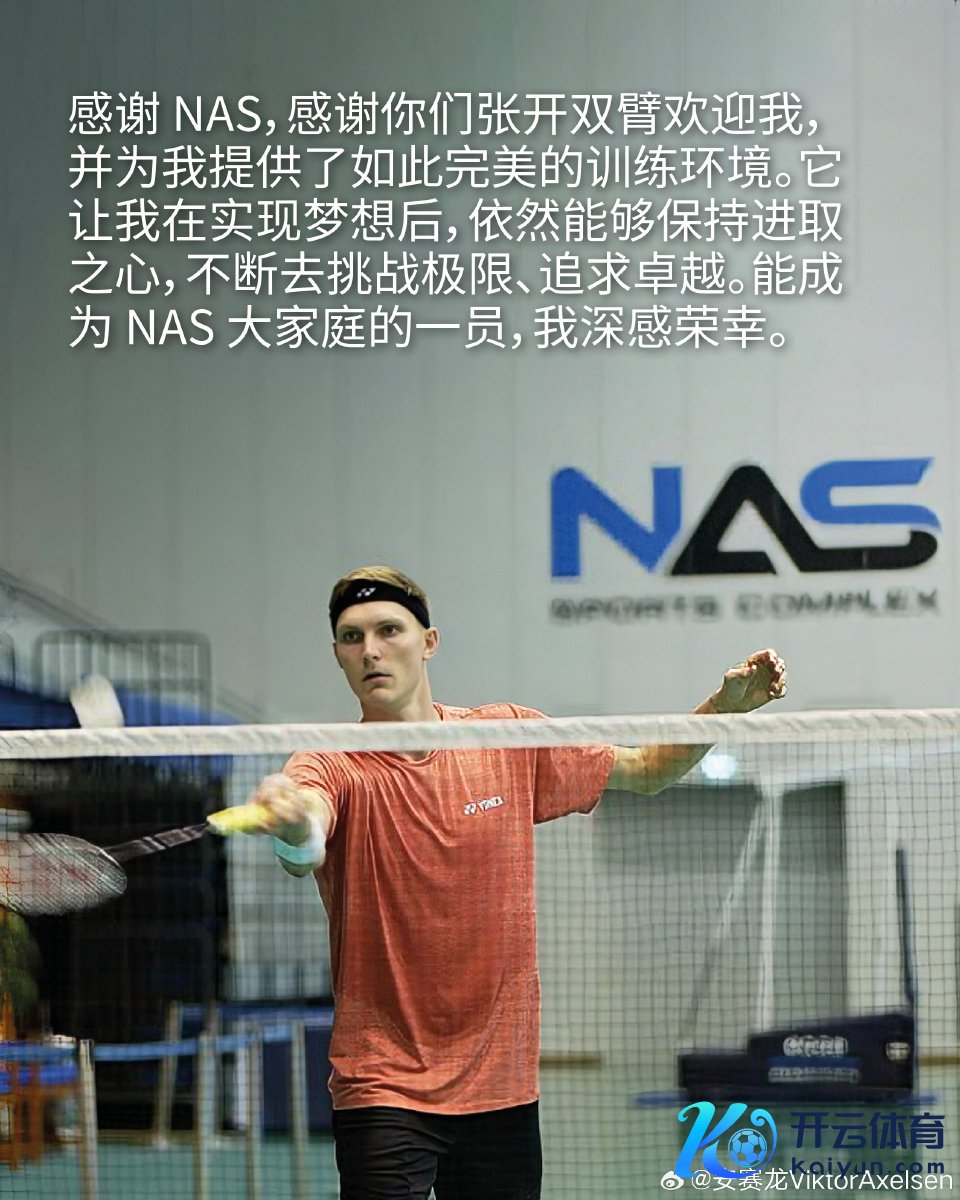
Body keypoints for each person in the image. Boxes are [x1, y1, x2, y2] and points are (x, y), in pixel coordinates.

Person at [249, 565, 787, 1200]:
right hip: (384, 1083)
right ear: (338, 654)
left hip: (500, 1084)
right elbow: (305, 844)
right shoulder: (329, 763)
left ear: (429, 641)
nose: (370, 650)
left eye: (388, 630)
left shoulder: (504, 737)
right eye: (351, 637)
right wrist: (292, 821)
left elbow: (646, 769)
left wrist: (723, 709)